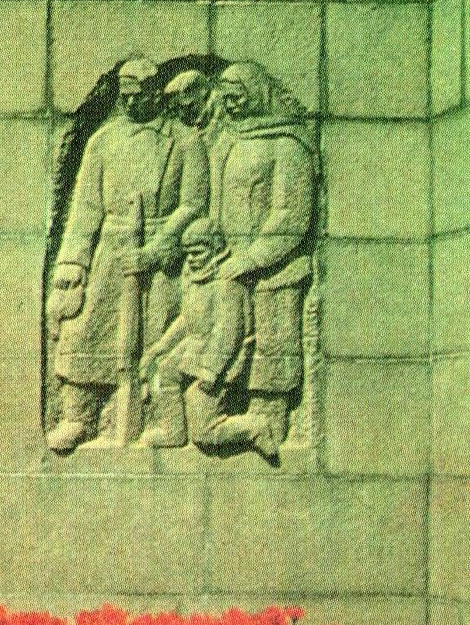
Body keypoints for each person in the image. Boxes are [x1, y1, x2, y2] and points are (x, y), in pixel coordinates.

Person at [45, 58, 209, 452]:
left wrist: (158, 248)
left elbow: (194, 203)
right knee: (86, 329)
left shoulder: (185, 141)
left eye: (139, 96)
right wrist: (73, 262)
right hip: (112, 249)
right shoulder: (104, 140)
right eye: (125, 96)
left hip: (162, 256)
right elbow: (86, 206)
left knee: (158, 342)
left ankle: (162, 419)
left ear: (155, 93)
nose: (131, 103)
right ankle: (79, 417)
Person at [206, 61, 316, 450]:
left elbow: (292, 215)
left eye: (238, 97)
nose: (231, 105)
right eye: (226, 98)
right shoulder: (228, 142)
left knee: (272, 346)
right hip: (230, 266)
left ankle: (269, 420)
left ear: (258, 94)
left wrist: (253, 258)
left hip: (275, 271)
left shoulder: (287, 145)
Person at [138, 219, 275, 456]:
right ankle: (173, 430)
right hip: (195, 346)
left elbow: (228, 334)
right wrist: (160, 347)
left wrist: (210, 371)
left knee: (204, 432)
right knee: (165, 369)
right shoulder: (195, 278)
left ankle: (254, 428)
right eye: (188, 253)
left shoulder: (226, 283)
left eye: (197, 253)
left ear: (215, 249)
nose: (191, 259)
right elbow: (186, 320)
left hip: (221, 359)